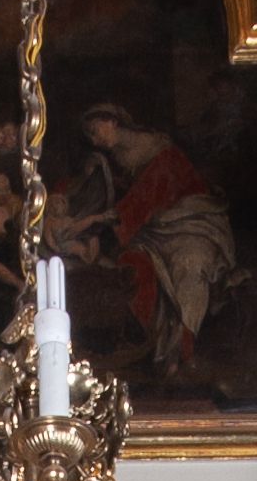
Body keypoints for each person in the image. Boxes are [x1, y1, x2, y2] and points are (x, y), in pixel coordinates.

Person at [55, 103, 237, 373]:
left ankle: (182, 348)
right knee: (133, 263)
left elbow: (142, 200)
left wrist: (95, 221)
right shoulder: (116, 161)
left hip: (192, 225)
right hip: (153, 232)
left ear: (113, 121)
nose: (95, 140)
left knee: (189, 266)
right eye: (90, 136)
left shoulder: (159, 151)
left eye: (95, 130)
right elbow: (110, 198)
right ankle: (150, 344)